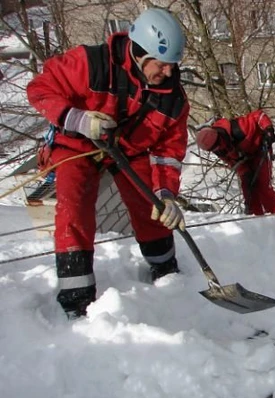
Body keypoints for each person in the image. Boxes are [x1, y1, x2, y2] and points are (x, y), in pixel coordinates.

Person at [26, 8, 190, 318]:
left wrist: (166, 193)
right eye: (162, 64)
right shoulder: (91, 64)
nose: (168, 73)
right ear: (140, 54)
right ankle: (77, 297)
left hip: (129, 148)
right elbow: (39, 88)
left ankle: (165, 269)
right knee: (73, 208)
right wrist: (77, 118)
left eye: (173, 66)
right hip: (79, 143)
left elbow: (168, 152)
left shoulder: (173, 99)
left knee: (150, 204)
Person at [196, 110, 275, 219]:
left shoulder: (238, 128)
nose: (217, 148)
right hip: (245, 159)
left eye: (217, 145)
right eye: (213, 149)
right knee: (248, 189)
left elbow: (258, 115)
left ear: (218, 136)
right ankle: (257, 220)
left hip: (261, 149)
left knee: (263, 186)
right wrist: (244, 172)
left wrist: (268, 129)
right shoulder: (218, 149)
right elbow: (232, 161)